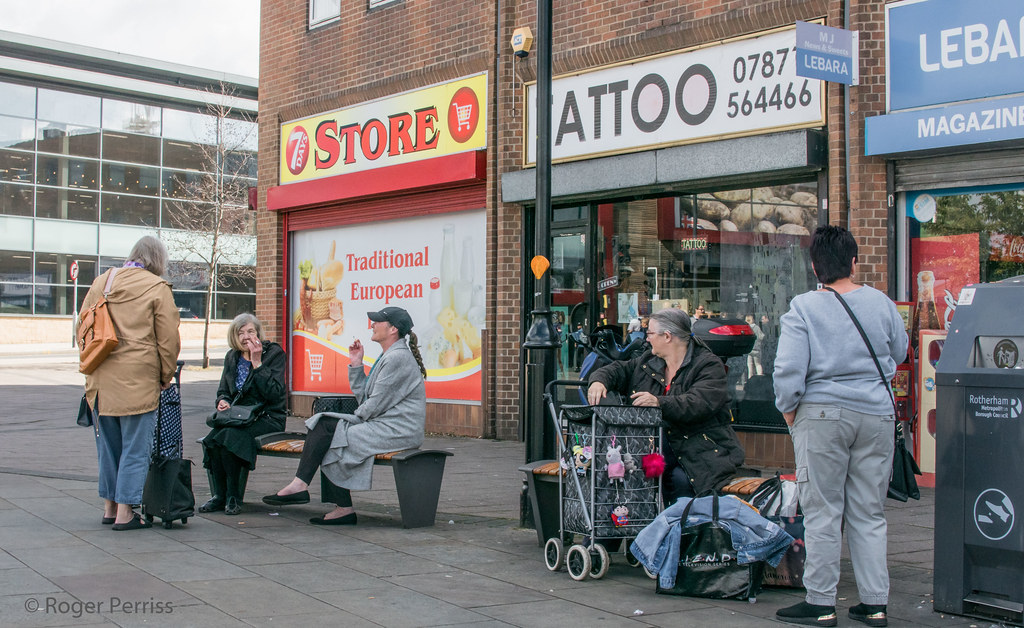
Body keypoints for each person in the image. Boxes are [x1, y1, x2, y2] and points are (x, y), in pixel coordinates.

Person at [772, 225, 908, 628]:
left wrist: (789, 411)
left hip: (823, 416)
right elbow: (900, 351)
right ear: (854, 261)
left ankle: (820, 603)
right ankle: (874, 603)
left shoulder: (803, 308)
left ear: (814, 267)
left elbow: (788, 371)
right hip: (877, 415)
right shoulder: (881, 303)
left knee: (823, 512)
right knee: (869, 512)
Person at [263, 306, 427, 525]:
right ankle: (313, 492)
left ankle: (318, 494)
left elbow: (374, 405)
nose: (373, 324)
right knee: (326, 426)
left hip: (398, 431)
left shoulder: (398, 358)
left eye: (378, 321)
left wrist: (351, 421)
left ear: (393, 329)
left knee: (330, 431)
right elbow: (366, 399)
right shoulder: (389, 356)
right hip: (384, 426)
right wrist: (357, 364)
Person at [586, 307, 744, 502]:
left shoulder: (708, 365)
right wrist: (599, 381)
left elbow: (699, 403)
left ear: (667, 336)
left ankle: (682, 530)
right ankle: (629, 527)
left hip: (699, 450)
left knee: (680, 481)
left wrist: (658, 402)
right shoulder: (648, 361)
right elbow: (619, 369)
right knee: (628, 476)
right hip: (658, 450)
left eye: (650, 333)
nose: (647, 339)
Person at [82, 236, 180, 531]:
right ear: (158, 260)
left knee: (109, 448)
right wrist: (166, 376)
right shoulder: (157, 288)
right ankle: (126, 512)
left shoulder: (103, 280)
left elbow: (82, 326)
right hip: (139, 379)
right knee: (135, 448)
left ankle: (109, 507)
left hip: (101, 379)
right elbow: (168, 340)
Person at [199, 313, 286, 516]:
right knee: (213, 439)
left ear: (258, 334)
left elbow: (274, 393)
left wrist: (257, 363)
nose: (246, 337)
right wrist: (223, 401)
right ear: (234, 337)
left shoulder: (273, 354)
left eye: (250, 331)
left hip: (267, 417)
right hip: (236, 417)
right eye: (241, 333)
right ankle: (219, 496)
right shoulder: (232, 356)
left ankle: (233, 497)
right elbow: (223, 391)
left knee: (230, 437)